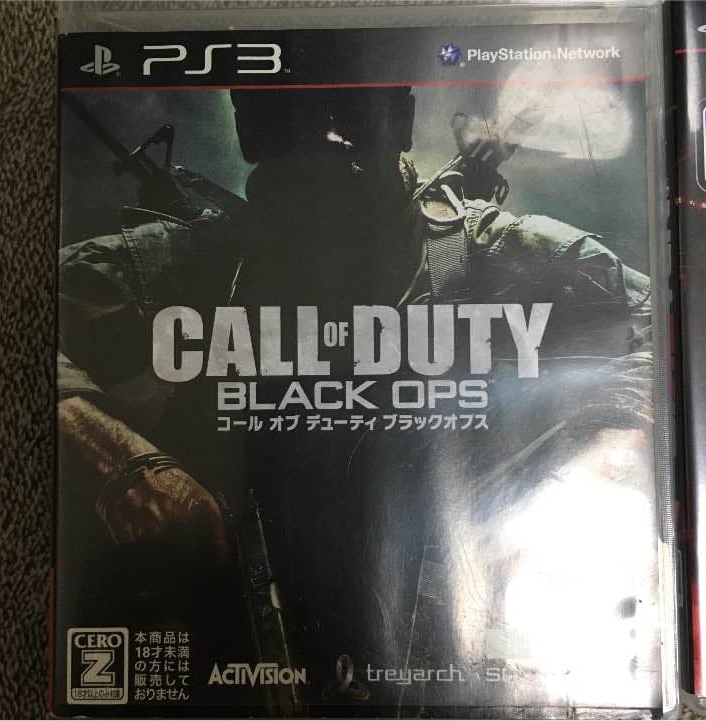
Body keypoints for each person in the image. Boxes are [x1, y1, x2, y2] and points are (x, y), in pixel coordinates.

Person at [57, 86, 654, 708]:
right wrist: (126, 467)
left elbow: (659, 329)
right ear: (252, 131)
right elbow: (24, 318)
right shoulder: (196, 255)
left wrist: (587, 467)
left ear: (399, 120)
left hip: (455, 631)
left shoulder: (487, 250)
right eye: (293, 118)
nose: (327, 139)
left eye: (349, 113)